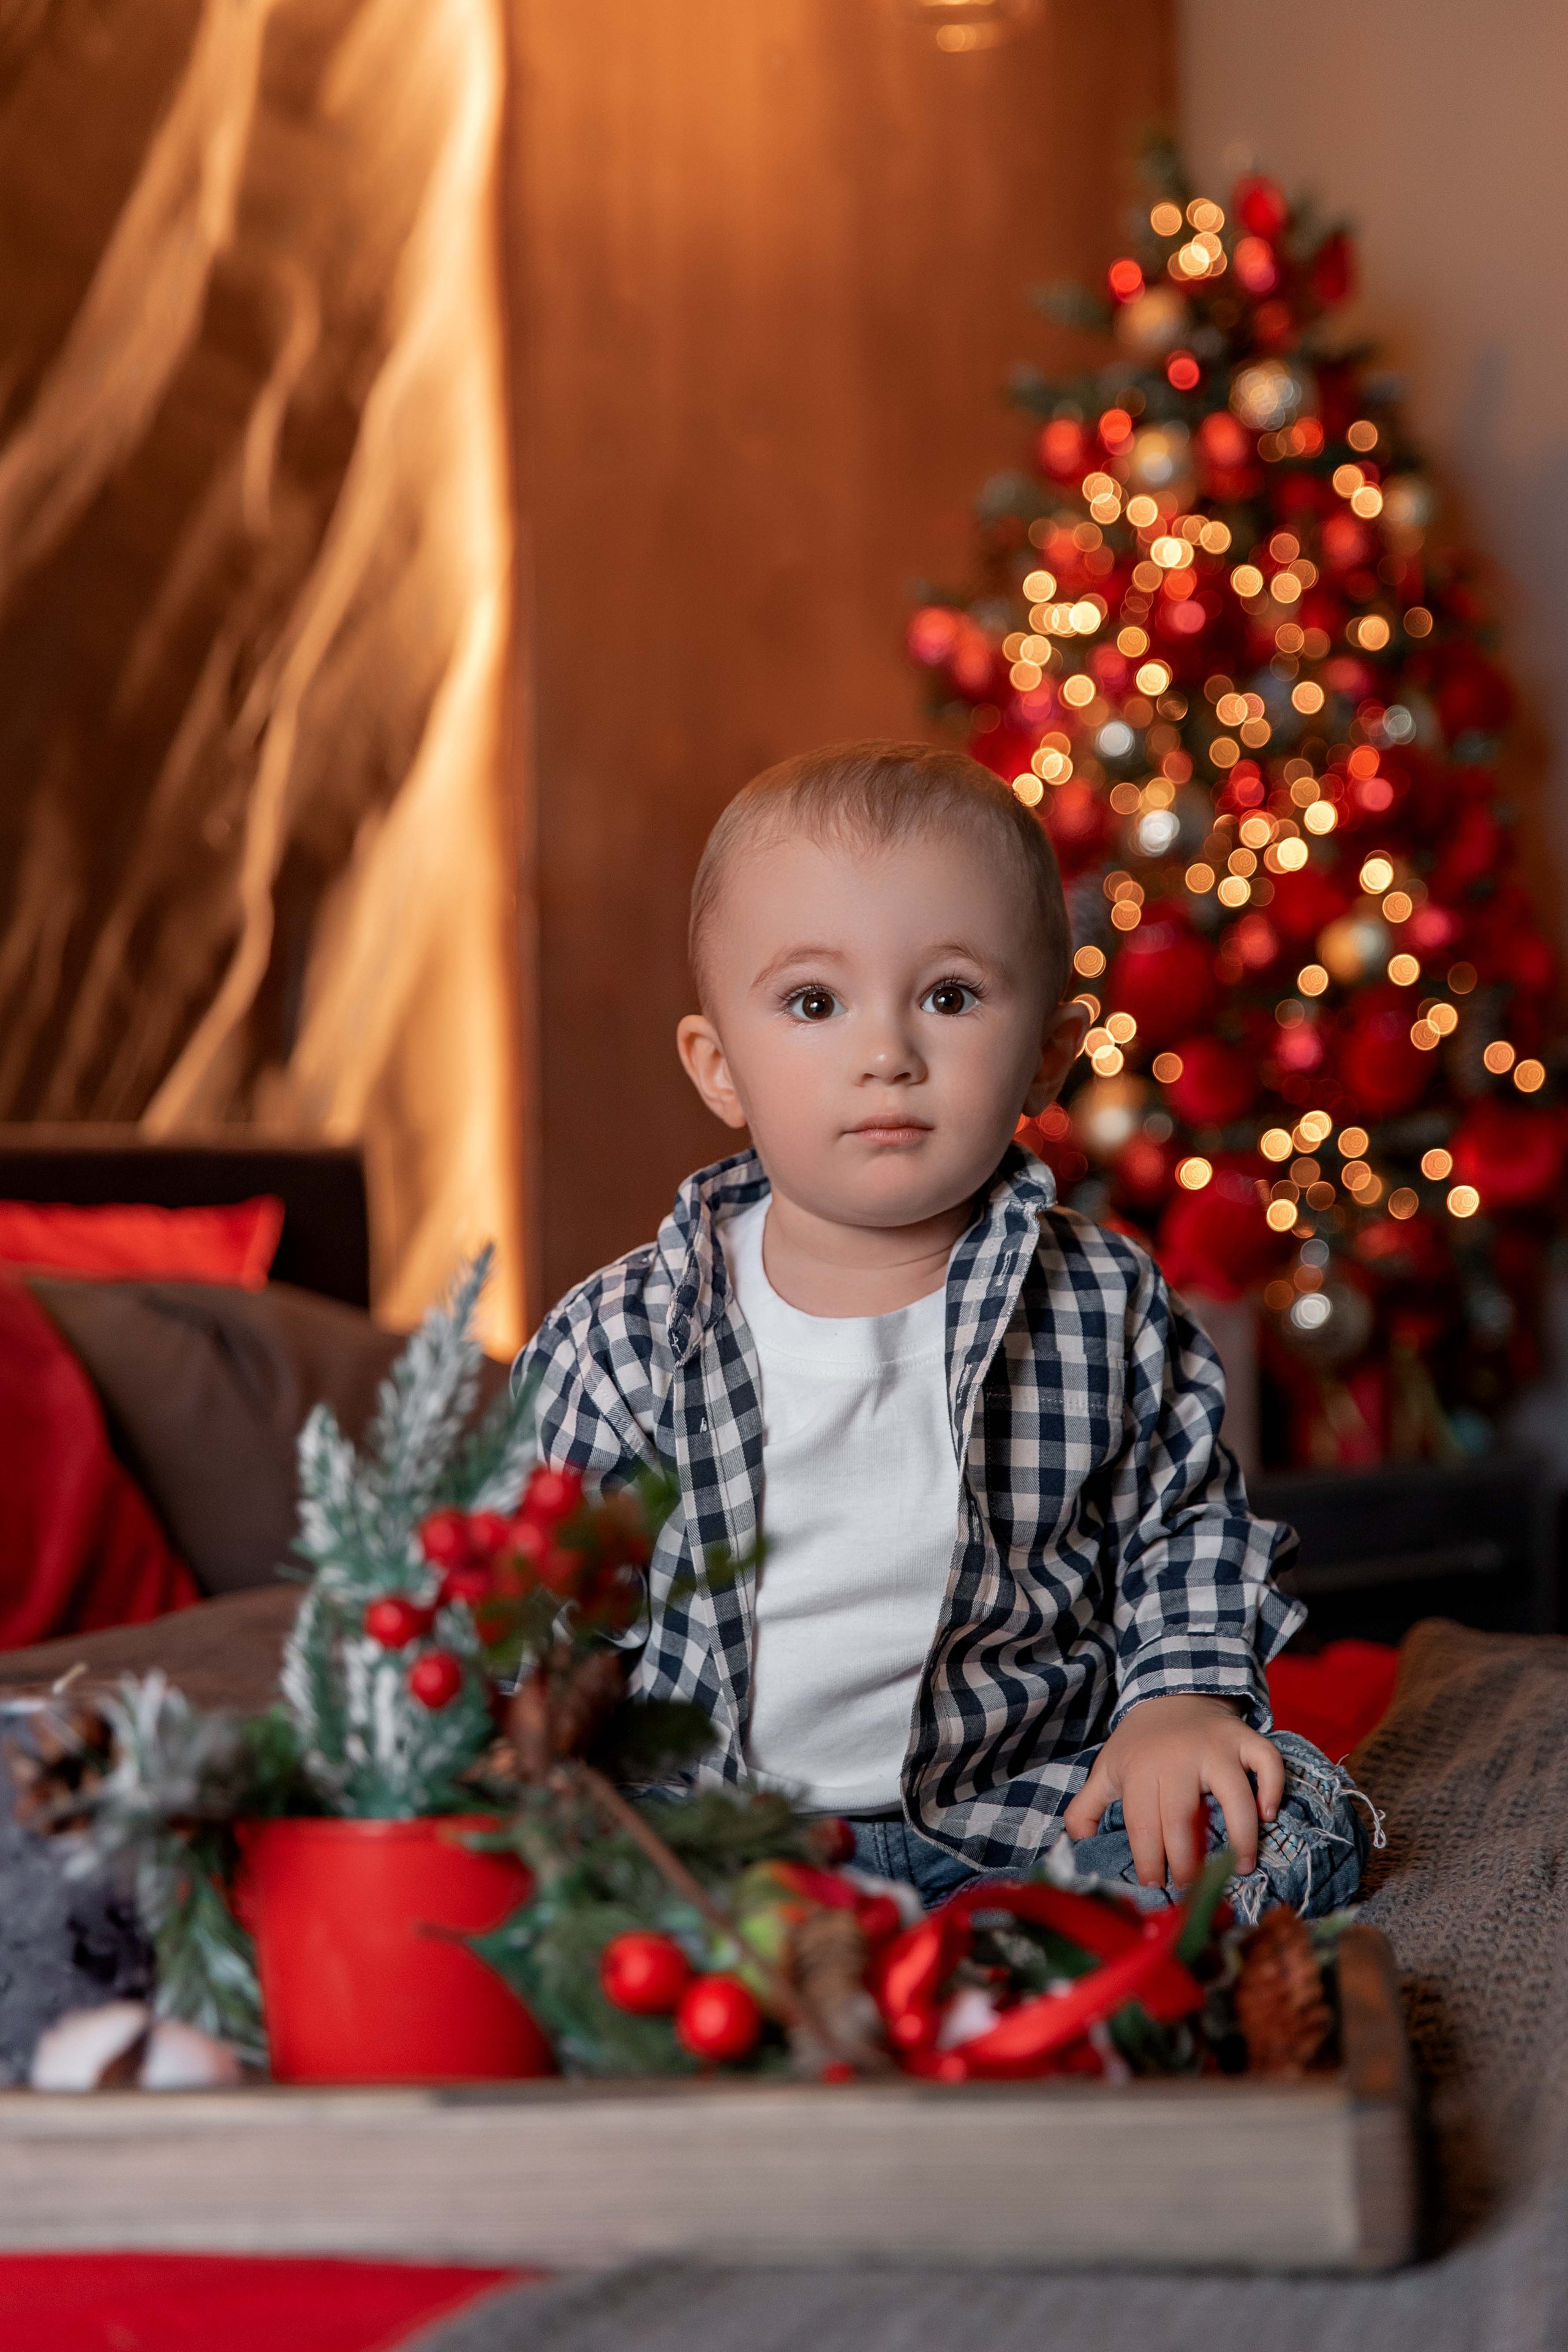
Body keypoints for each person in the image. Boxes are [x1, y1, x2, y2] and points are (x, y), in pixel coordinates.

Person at [518, 741, 1369, 1919]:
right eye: (814, 1002)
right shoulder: (624, 1339)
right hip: (710, 1832)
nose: (887, 1055)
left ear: (1048, 1058)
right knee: (528, 1884)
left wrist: (1177, 1707)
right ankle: (864, 1969)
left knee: (1280, 1822)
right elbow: (537, 1605)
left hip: (1021, 1805)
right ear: (721, 1068)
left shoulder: (1104, 1306)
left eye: (950, 996)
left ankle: (986, 1953)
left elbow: (1184, 1531)